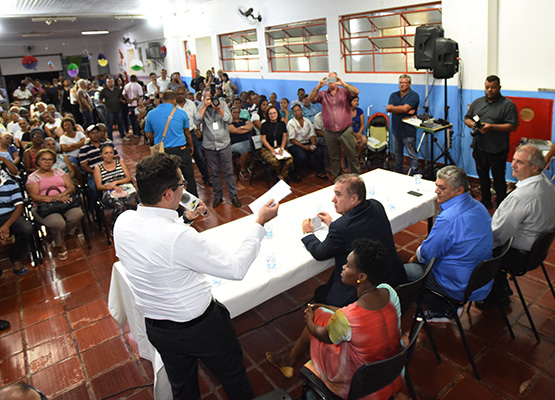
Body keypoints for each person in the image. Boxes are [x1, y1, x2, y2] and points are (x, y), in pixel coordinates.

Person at [114, 153, 279, 400]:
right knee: (234, 378)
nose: (185, 190)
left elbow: (156, 251)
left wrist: (184, 220)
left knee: (183, 388)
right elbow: (235, 268)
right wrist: (259, 224)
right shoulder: (178, 237)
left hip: (158, 328)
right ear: (168, 194)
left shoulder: (124, 221)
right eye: (182, 185)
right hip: (201, 328)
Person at [270, 239, 402, 399]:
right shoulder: (390, 293)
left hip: (357, 384)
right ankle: (289, 360)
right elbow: (351, 316)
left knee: (318, 317)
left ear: (361, 276)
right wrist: (323, 307)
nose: (343, 267)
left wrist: (309, 320)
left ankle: (289, 361)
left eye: (347, 265)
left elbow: (321, 333)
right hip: (390, 372)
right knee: (321, 312)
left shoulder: (347, 317)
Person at [301, 173, 406, 307]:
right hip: (393, 277)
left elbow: (319, 253)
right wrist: (334, 223)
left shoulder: (340, 227)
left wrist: (308, 234)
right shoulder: (376, 205)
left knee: (320, 294)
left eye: (338, 195)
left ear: (354, 198)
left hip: (364, 290)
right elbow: (360, 228)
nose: (333, 199)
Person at [404, 166, 493, 323]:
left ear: (459, 190)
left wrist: (414, 257)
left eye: (442, 188)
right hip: (480, 278)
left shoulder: (449, 218)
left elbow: (426, 254)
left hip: (458, 284)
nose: (436, 191)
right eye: (437, 185)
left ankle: (443, 309)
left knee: (407, 270)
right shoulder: (479, 207)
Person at [479, 144, 555, 307]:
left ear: (535, 167)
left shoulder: (521, 197)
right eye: (513, 160)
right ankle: (501, 286)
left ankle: (493, 296)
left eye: (519, 162)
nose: (512, 165)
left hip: (518, 257)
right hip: (537, 252)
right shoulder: (548, 185)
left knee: (473, 249)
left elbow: (497, 236)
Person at [464, 75, 519, 208]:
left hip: (498, 148)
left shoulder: (508, 105)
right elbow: (467, 118)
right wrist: (473, 125)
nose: (490, 90)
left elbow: (512, 126)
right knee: (482, 176)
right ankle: (486, 200)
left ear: (499, 87)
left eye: (493, 87)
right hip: (480, 147)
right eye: (487, 87)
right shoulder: (477, 103)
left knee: (499, 177)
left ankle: (501, 203)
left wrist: (492, 127)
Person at [26, 148, 84, 261]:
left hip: (65, 201)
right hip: (45, 206)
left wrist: (63, 195)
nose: (47, 162)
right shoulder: (33, 177)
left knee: (77, 214)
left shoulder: (59, 171)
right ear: (37, 161)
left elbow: (71, 187)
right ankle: (60, 244)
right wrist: (55, 199)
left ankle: (64, 235)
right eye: (44, 159)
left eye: (50, 159)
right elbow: (35, 197)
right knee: (58, 223)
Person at [145, 91, 198, 197]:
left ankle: (171, 202)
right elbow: (187, 133)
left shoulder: (151, 114)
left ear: (161, 100)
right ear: (174, 100)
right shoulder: (181, 113)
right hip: (180, 149)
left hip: (162, 151)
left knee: (166, 178)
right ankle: (193, 201)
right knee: (188, 176)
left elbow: (148, 135)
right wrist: (191, 146)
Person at [194, 88, 241, 208]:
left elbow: (229, 120)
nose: (210, 101)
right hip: (209, 145)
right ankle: (218, 195)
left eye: (211, 98)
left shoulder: (222, 104)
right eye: (207, 98)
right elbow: (196, 120)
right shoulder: (201, 107)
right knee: (214, 172)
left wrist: (218, 108)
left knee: (228, 172)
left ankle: (234, 196)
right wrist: (204, 106)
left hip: (224, 143)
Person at [309, 72, 360, 177]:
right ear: (327, 81)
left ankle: (356, 176)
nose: (331, 83)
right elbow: (311, 99)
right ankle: (338, 177)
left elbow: (356, 92)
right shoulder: (322, 94)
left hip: (345, 130)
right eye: (329, 80)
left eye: (334, 80)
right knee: (334, 157)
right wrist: (318, 86)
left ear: (337, 80)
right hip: (329, 131)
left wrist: (343, 83)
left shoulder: (344, 91)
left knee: (352, 155)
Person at [0, 156, 33, 275]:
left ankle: (15, 258)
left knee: (26, 228)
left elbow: (19, 207)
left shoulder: (9, 183)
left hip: (11, 215)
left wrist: (6, 226)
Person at [94, 143, 138, 229]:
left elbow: (128, 177)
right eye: (106, 153)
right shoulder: (98, 168)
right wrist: (112, 187)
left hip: (125, 187)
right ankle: (116, 227)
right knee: (119, 205)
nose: (109, 155)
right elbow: (99, 186)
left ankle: (134, 224)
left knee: (132, 202)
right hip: (108, 190)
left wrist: (116, 182)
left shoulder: (120, 163)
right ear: (101, 155)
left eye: (111, 152)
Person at [175, 87, 212, 187]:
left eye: (182, 94)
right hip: (179, 135)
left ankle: (206, 178)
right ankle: (182, 182)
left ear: (185, 94)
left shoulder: (191, 104)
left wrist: (198, 129)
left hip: (191, 133)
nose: (180, 96)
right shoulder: (173, 106)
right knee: (180, 160)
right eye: (178, 94)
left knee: (199, 157)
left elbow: (197, 117)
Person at [386, 74, 420, 174]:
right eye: (400, 83)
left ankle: (415, 174)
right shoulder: (394, 95)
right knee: (397, 154)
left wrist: (396, 109)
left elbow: (403, 108)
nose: (402, 85)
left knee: (412, 154)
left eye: (404, 83)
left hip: (408, 130)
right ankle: (398, 172)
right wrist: (404, 110)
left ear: (409, 84)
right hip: (396, 130)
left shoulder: (414, 96)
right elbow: (388, 108)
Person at [287, 104, 327, 181]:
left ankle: (319, 172)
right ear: (293, 113)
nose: (297, 112)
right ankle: (296, 173)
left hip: (306, 142)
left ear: (301, 111)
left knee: (319, 150)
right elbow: (292, 139)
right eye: (295, 111)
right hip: (294, 144)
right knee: (301, 155)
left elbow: (312, 134)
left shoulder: (307, 121)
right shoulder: (291, 123)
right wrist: (304, 147)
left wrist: (313, 144)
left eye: (299, 110)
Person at [260, 106, 294, 182]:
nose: (272, 115)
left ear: (277, 114)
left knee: (290, 160)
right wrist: (272, 150)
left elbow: (284, 137)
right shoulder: (264, 125)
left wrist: (282, 148)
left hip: (279, 147)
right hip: (267, 148)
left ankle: (281, 176)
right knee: (275, 162)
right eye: (270, 113)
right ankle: (281, 178)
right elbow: (263, 140)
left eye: (274, 113)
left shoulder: (282, 124)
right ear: (268, 115)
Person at [229, 106, 254, 180]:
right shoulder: (230, 122)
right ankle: (243, 170)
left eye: (238, 112)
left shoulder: (244, 120)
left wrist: (241, 128)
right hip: (235, 143)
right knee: (245, 151)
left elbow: (251, 126)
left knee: (258, 149)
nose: (236, 114)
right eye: (234, 112)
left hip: (248, 140)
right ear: (231, 113)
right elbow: (234, 131)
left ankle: (251, 166)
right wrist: (246, 128)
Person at [99, 77, 127, 141]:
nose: (110, 83)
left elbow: (120, 98)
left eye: (111, 81)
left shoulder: (117, 89)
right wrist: (105, 103)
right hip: (109, 110)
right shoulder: (104, 91)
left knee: (120, 123)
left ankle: (122, 136)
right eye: (109, 82)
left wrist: (123, 101)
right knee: (109, 124)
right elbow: (100, 100)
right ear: (106, 83)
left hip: (118, 109)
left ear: (114, 82)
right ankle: (110, 138)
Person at [59, 117, 86, 182]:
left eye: (69, 125)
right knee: (73, 165)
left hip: (82, 154)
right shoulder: (62, 137)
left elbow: (84, 142)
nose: (67, 127)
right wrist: (78, 145)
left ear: (72, 125)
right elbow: (64, 148)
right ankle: (82, 182)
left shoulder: (79, 133)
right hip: (71, 156)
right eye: (65, 125)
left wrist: (72, 145)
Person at [350, 96, 367, 161]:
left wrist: (359, 134)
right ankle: (353, 157)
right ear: (350, 102)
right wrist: (355, 135)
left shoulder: (360, 111)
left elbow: (362, 125)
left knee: (364, 140)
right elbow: (347, 126)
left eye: (357, 101)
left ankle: (357, 155)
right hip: (350, 132)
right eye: (354, 101)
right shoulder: (346, 112)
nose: (356, 103)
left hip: (359, 132)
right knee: (353, 142)